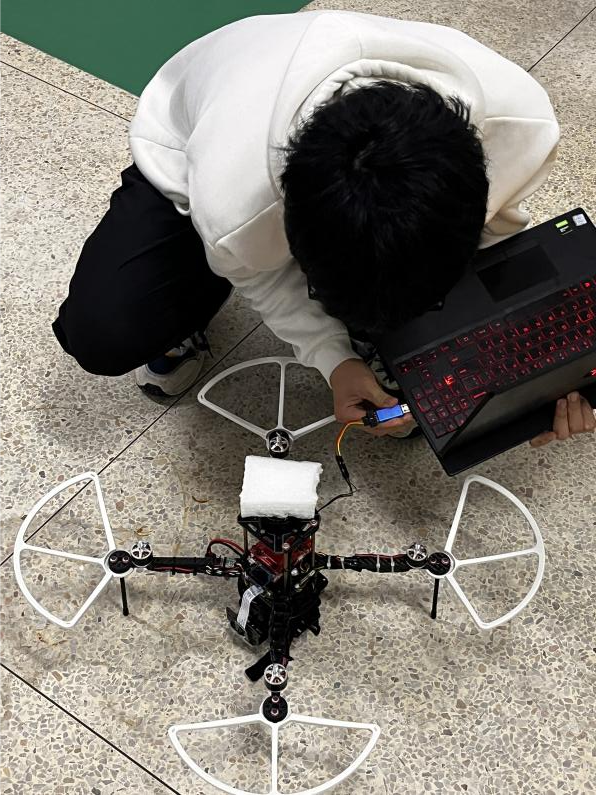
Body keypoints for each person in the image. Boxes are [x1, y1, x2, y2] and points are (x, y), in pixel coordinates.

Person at [52, 10, 595, 447]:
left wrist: (532, 378)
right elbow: (263, 276)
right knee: (103, 333)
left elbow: (498, 247)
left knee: (417, 352)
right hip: (194, 130)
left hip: (309, 122)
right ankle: (190, 309)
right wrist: (335, 359)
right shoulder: (233, 205)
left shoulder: (522, 127)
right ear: (293, 235)